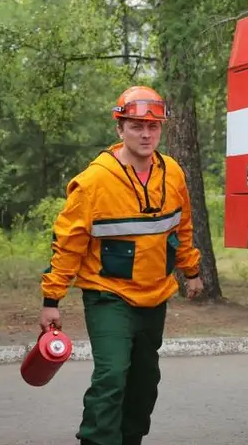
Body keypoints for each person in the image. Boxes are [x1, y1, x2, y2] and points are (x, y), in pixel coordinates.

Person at [39, 85, 203, 445]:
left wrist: (191, 270)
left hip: (155, 295)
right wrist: (52, 299)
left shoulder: (172, 173)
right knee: (112, 375)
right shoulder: (95, 181)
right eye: (136, 126)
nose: (146, 134)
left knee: (145, 381)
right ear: (119, 129)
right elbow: (68, 242)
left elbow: (182, 227)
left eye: (153, 127)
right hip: (107, 295)